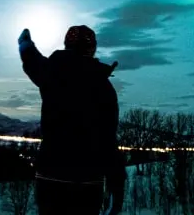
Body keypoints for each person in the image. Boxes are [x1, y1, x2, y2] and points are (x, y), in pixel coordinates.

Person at [19, 25, 126, 215]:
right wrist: (116, 183)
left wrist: (25, 45)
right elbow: (108, 139)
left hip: (50, 175)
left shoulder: (51, 72)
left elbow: (32, 61)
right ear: (92, 48)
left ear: (67, 45)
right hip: (88, 180)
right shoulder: (103, 87)